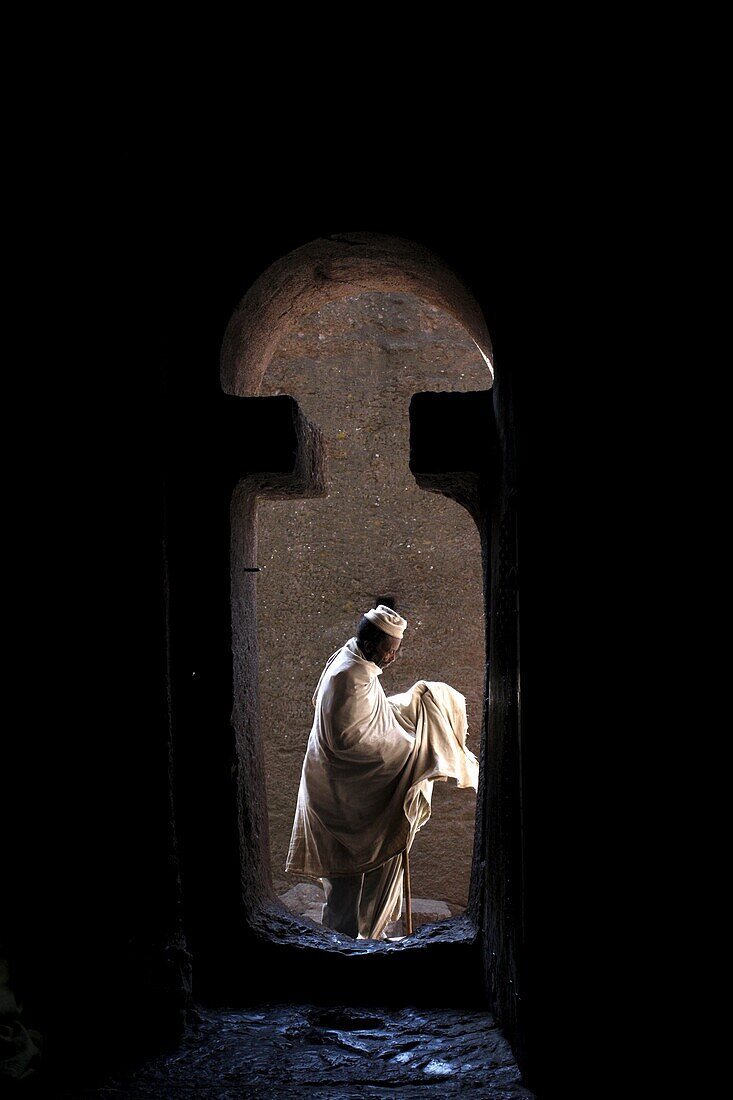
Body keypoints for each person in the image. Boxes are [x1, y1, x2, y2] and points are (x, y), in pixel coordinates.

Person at [285, 604, 479, 940]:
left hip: (354, 801)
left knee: (367, 878)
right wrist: (412, 749)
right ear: (374, 645)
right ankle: (338, 957)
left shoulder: (356, 662)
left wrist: (408, 708)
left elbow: (370, 717)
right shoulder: (347, 677)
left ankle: (366, 943)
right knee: (344, 891)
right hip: (340, 802)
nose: (393, 657)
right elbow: (349, 742)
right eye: (391, 650)